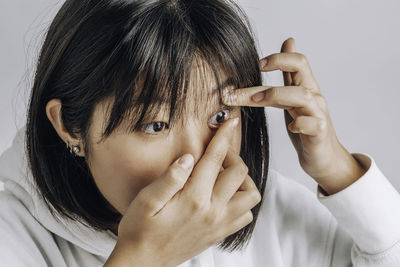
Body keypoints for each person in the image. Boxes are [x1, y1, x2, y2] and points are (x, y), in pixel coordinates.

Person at [0, 0, 399, 266]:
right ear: (69, 126)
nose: (198, 161)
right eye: (155, 125)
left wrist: (338, 170)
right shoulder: (13, 233)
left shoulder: (270, 210)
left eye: (219, 116)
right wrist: (143, 257)